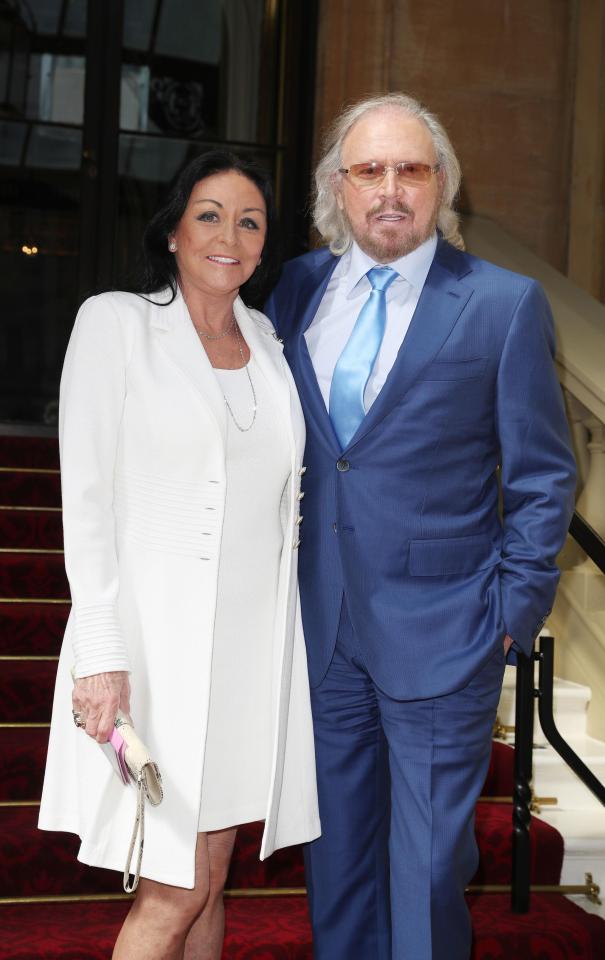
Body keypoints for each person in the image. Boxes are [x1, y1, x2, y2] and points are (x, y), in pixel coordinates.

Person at [265, 92, 576, 960]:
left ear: (441, 185)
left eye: (411, 168)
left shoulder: (501, 304)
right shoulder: (293, 289)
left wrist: (511, 613)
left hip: (447, 632)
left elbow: (545, 472)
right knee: (336, 859)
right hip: (319, 629)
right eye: (370, 170)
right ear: (338, 185)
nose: (390, 189)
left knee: (428, 865)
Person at [39, 150, 320, 960]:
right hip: (154, 656)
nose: (227, 235)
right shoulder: (117, 323)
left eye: (249, 220)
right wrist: (101, 653)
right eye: (208, 215)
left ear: (265, 245)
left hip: (246, 661)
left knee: (212, 876)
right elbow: (85, 500)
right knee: (174, 887)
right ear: (171, 231)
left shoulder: (267, 340)